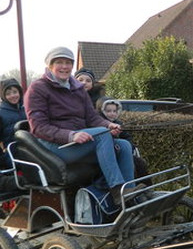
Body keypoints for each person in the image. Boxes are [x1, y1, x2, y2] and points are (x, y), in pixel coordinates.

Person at [24, 46, 139, 206]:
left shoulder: (77, 88)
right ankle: (117, 189)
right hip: (53, 146)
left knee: (124, 145)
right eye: (59, 62)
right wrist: (71, 135)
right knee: (102, 134)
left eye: (68, 63)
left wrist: (108, 124)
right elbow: (39, 127)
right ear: (50, 65)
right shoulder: (38, 88)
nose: (64, 66)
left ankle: (130, 194)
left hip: (78, 142)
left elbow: (92, 118)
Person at [97, 97, 148, 178]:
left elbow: (127, 137)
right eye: (108, 111)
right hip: (105, 154)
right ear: (101, 111)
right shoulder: (97, 124)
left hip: (121, 152)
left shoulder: (119, 124)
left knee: (139, 163)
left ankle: (143, 187)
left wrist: (129, 148)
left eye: (114, 111)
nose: (112, 114)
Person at [0, 78, 27, 148]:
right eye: (8, 94)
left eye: (15, 92)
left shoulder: (27, 108)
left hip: (31, 149)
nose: (12, 96)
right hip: (12, 151)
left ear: (19, 92)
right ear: (4, 96)